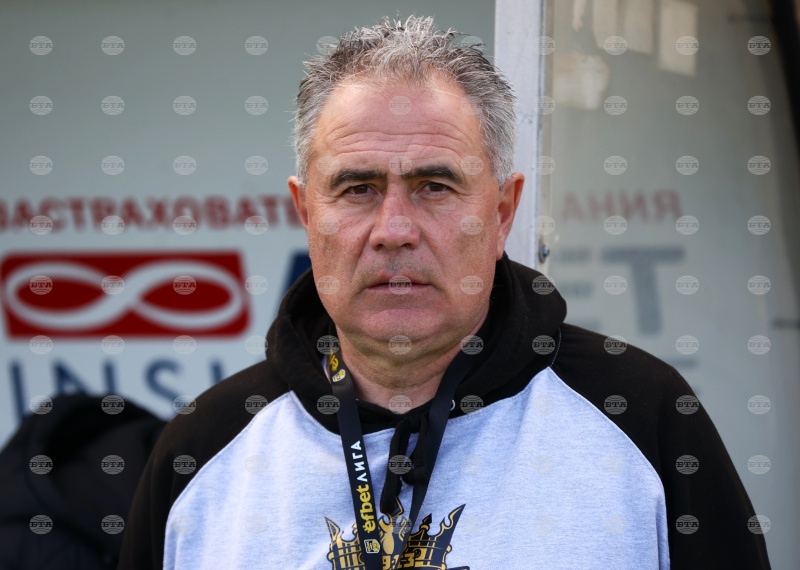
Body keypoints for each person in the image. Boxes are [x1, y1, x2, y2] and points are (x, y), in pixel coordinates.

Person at [119, 15, 771, 569]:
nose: (394, 231)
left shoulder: (644, 419)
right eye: (357, 188)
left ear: (502, 213)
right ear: (306, 213)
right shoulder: (203, 450)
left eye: (435, 186)